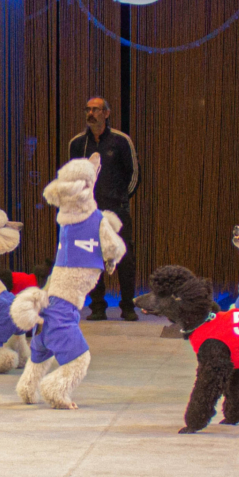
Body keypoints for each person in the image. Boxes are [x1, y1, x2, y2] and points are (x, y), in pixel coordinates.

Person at [67, 96, 140, 321]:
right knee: (92, 257)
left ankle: (127, 306)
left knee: (123, 257)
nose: (91, 113)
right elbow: (74, 175)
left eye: (96, 109)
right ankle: (98, 306)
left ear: (106, 114)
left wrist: (120, 199)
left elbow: (134, 174)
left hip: (116, 210)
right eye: (88, 109)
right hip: (89, 212)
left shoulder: (120, 141)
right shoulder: (78, 143)